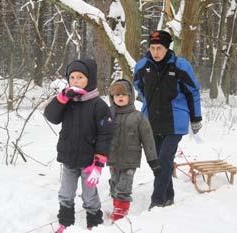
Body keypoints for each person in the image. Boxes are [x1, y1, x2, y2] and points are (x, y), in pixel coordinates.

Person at [133, 30, 202, 209]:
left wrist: (195, 117)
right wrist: (149, 102)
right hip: (151, 121)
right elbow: (139, 87)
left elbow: (192, 91)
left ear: (167, 48)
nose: (156, 52)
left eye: (160, 48)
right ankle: (169, 195)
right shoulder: (142, 66)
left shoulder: (180, 66)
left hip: (175, 121)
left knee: (164, 160)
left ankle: (156, 201)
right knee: (157, 162)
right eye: (153, 48)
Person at [44, 58, 114, 232]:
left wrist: (99, 161)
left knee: (90, 196)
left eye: (80, 77)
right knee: (65, 193)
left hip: (89, 161)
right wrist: (61, 98)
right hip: (68, 158)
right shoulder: (66, 101)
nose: (75, 81)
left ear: (89, 80)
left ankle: (94, 222)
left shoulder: (98, 105)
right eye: (72, 77)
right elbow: (51, 117)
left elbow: (106, 134)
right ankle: (65, 222)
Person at [107, 79, 161, 221]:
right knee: (114, 183)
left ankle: (120, 213)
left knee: (124, 186)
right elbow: (100, 135)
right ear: (112, 97)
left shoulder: (139, 117)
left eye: (124, 94)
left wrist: (153, 160)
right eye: (117, 94)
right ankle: (116, 205)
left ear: (130, 96)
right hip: (112, 158)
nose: (120, 97)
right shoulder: (108, 115)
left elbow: (148, 140)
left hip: (130, 160)